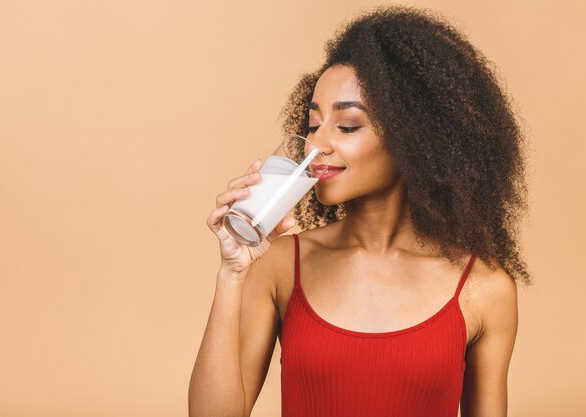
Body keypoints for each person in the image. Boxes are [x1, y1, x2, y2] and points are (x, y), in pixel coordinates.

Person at [189, 5, 530, 417]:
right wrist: (232, 272)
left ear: (415, 139)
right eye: (313, 125)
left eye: (347, 126)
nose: (317, 145)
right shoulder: (280, 264)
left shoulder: (483, 287)